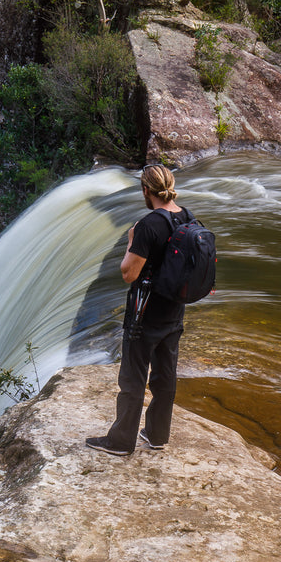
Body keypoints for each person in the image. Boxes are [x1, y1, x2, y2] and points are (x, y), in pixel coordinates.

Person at [86, 164, 190, 456]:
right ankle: (157, 435)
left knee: (133, 378)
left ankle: (120, 441)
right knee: (165, 375)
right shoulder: (188, 218)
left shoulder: (148, 226)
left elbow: (128, 274)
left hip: (144, 314)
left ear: (146, 191)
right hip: (174, 311)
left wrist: (131, 240)